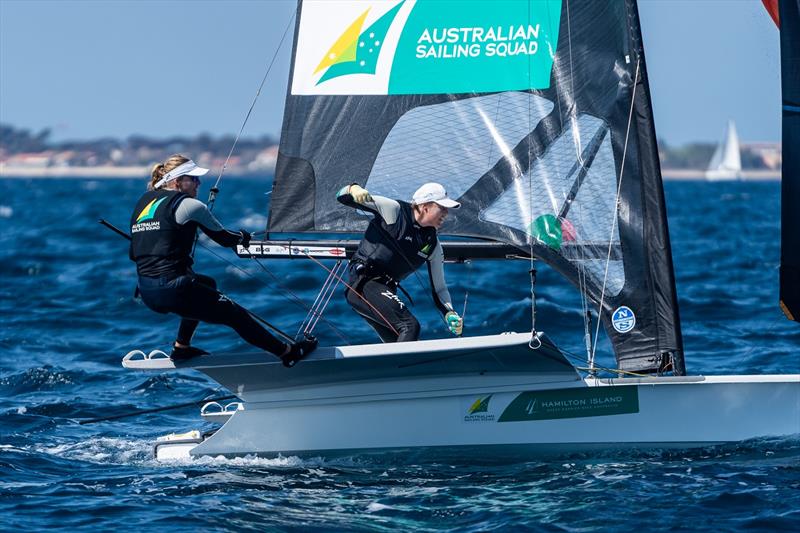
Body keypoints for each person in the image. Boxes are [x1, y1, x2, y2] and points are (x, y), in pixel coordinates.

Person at [129, 154, 316, 365]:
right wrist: (243, 237)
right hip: (172, 290)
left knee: (207, 284)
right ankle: (288, 353)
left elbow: (133, 253)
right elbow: (226, 239)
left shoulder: (143, 203)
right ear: (177, 181)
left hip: (146, 291)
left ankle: (182, 348)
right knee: (234, 314)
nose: (198, 183)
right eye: (193, 178)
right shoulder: (191, 205)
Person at [337, 181, 464, 342]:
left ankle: (391, 367)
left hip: (385, 290)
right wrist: (353, 189)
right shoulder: (394, 211)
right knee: (410, 326)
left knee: (400, 338)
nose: (446, 212)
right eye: (442, 207)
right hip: (362, 285)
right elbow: (342, 197)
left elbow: (439, 288)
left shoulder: (432, 246)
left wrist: (449, 313)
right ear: (425, 207)